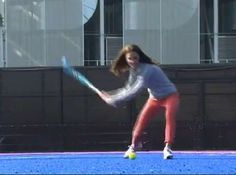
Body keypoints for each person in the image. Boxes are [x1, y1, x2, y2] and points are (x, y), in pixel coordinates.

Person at [98, 44, 180, 159]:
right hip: (154, 98)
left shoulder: (148, 69)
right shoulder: (133, 70)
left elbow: (136, 90)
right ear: (126, 59)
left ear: (139, 57)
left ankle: (167, 148)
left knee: (169, 117)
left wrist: (113, 101)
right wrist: (111, 96)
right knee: (141, 121)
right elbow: (128, 88)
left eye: (135, 58)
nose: (133, 61)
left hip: (170, 95)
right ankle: (133, 146)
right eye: (130, 59)